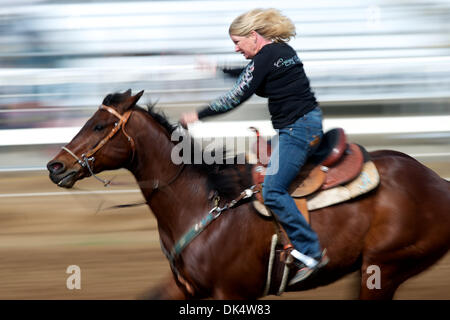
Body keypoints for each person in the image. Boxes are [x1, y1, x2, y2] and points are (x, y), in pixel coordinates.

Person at [180, 8, 328, 285]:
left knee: (272, 190)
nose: (236, 48)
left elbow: (237, 94)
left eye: (237, 42)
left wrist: (198, 114)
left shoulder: (267, 57)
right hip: (301, 125)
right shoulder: (279, 52)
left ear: (253, 36)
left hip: (298, 130)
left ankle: (311, 251)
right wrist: (218, 69)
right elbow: (250, 73)